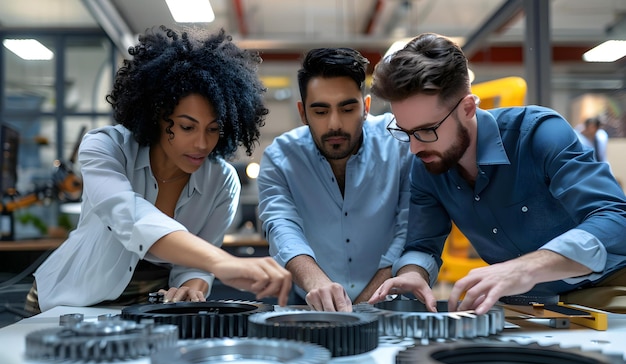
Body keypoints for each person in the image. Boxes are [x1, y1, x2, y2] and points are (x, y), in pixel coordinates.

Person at [27, 26, 291, 313]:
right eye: (187, 127)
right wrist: (222, 262)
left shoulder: (222, 181)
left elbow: (195, 266)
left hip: (146, 309)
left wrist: (193, 285)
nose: (202, 144)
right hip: (66, 303)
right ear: (157, 116)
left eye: (213, 130)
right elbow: (129, 216)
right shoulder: (105, 148)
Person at [366, 32, 626, 314]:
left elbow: (615, 219)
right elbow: (423, 244)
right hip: (525, 304)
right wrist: (413, 274)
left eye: (427, 131)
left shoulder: (538, 134)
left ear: (467, 108)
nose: (414, 147)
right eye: (406, 132)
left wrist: (524, 269)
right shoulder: (427, 165)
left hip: (606, 288)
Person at [257, 48, 412, 312]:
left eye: (347, 108)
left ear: (366, 107)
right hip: (311, 299)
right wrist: (317, 282)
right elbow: (282, 227)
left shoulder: (400, 143)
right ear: (303, 113)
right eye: (320, 112)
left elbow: (409, 228)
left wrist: (364, 304)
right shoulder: (280, 158)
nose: (334, 124)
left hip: (390, 297)